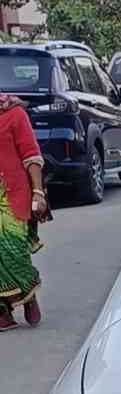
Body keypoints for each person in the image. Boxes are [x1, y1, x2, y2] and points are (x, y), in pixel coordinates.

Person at [0, 93, 49, 331]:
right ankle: (3, 312)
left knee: (13, 251)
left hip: (12, 196)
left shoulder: (14, 113)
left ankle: (28, 293)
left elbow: (31, 155)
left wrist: (38, 193)